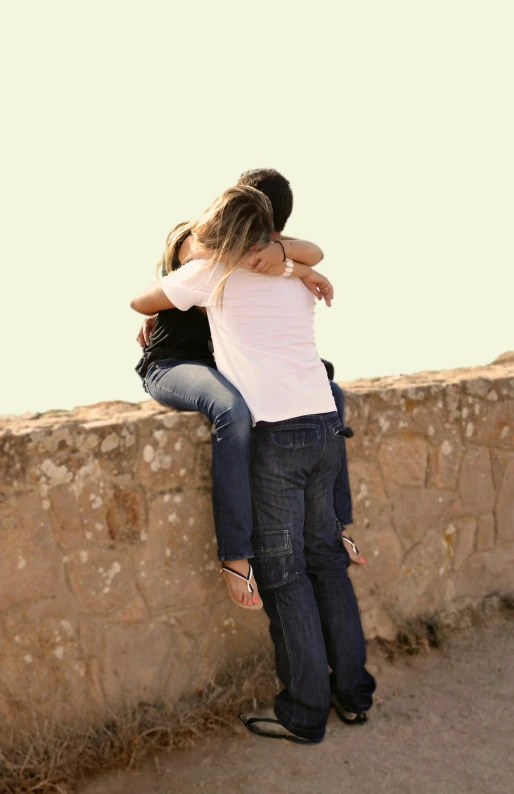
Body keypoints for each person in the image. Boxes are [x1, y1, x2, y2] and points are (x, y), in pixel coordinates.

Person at [131, 184, 375, 744]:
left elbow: (141, 302)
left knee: (285, 578)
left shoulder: (213, 271)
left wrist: (176, 294)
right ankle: (354, 696)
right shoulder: (290, 273)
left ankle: (305, 714)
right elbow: (311, 257)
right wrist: (294, 264)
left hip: (280, 435)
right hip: (322, 428)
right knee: (325, 565)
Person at [134, 169, 363, 612]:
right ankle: (235, 555)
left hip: (225, 359)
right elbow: (184, 272)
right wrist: (296, 266)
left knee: (329, 391)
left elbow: (313, 248)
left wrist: (291, 260)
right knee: (233, 412)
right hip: (178, 360)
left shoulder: (266, 248)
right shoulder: (196, 238)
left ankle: (338, 523)